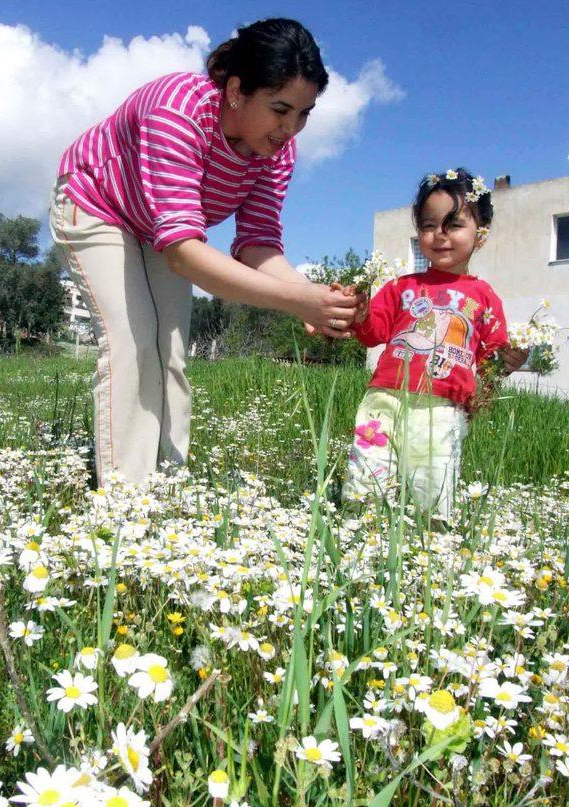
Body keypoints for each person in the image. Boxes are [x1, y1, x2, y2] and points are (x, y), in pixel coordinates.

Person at [50, 17, 367, 485]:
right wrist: (295, 300)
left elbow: (257, 243)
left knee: (171, 352)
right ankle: (125, 501)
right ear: (236, 90)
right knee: (131, 342)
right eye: (281, 109)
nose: (290, 129)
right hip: (96, 202)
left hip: (157, 227)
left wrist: (313, 298)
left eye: (303, 114)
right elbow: (182, 252)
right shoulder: (176, 110)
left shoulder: (276, 152)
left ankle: (169, 483)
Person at [342, 168, 527, 519]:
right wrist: (360, 312)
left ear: (481, 234)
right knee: (366, 483)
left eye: (453, 225)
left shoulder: (484, 297)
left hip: (442, 410)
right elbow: (372, 334)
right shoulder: (402, 287)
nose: (439, 235)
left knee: (433, 491)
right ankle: (358, 537)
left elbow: (492, 360)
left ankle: (429, 550)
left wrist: (511, 358)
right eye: (428, 225)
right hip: (383, 400)